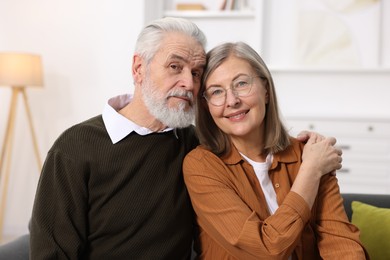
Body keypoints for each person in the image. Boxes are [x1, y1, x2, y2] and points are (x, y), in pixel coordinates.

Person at [25, 17, 331, 259]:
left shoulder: (197, 145)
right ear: (139, 68)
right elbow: (51, 252)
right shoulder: (76, 148)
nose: (188, 82)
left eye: (197, 73)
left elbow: (254, 146)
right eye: (175, 67)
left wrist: (308, 150)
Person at [183, 42, 369, 259]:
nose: (232, 101)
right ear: (206, 106)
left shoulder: (309, 154)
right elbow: (265, 251)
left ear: (267, 91)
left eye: (242, 83)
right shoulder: (201, 166)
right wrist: (310, 172)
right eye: (216, 92)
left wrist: (311, 164)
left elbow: (340, 244)